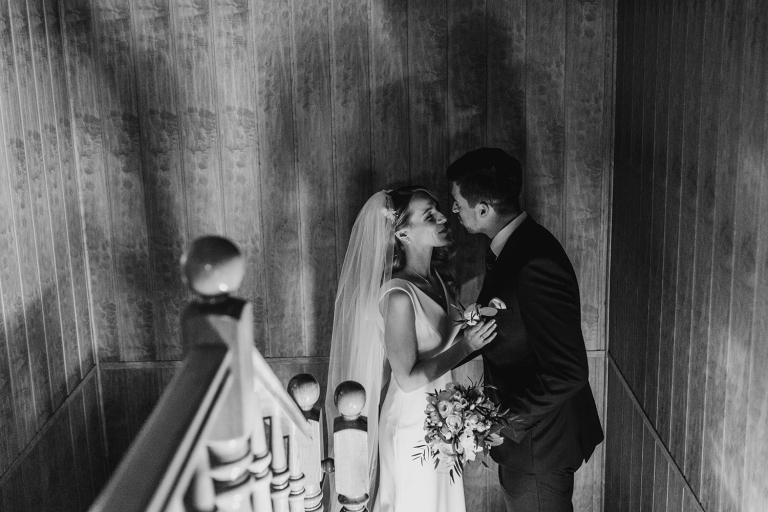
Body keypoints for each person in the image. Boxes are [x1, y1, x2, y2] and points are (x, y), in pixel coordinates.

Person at [447, 148, 604, 512]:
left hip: (540, 446)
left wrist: (499, 423)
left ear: (483, 209)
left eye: (458, 202)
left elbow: (569, 371)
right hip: (529, 445)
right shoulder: (513, 247)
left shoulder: (535, 262)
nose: (453, 209)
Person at [325, 186, 496, 512]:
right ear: (402, 233)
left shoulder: (438, 279)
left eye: (438, 210)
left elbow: (441, 342)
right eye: (429, 215)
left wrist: (474, 322)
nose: (443, 217)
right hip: (410, 424)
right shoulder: (398, 296)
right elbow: (406, 378)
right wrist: (466, 346)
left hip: (443, 417)